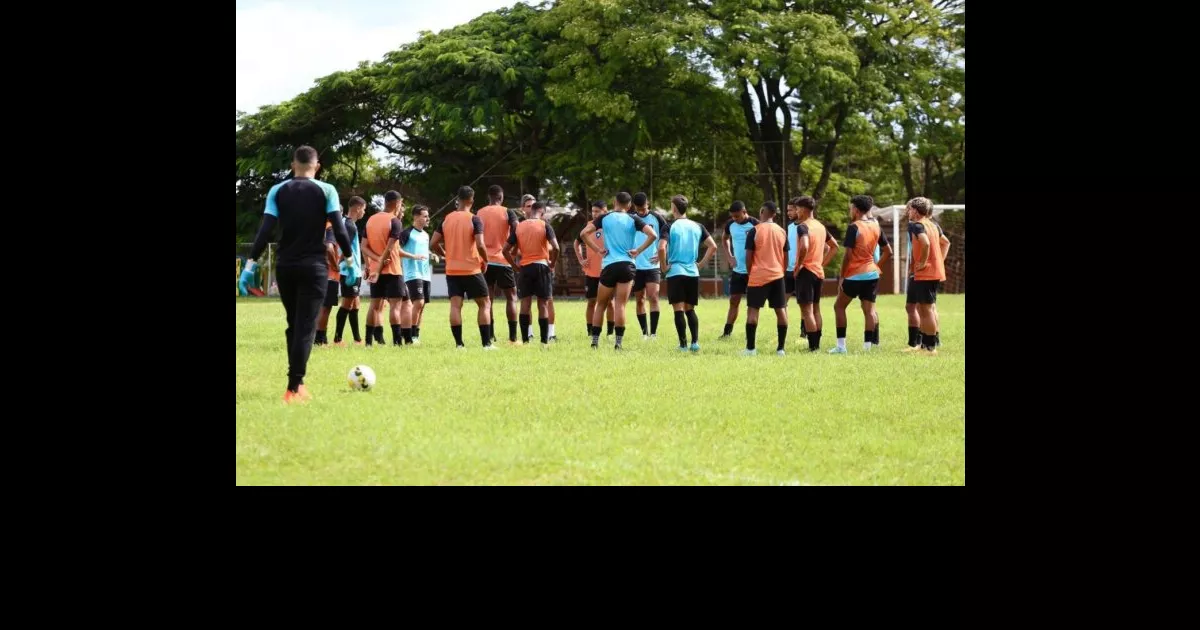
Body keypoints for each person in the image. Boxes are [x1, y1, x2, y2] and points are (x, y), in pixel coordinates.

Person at [245, 145, 352, 403]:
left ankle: (297, 381)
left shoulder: (277, 190)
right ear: (317, 166)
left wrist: (250, 264)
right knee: (305, 327)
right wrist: (349, 259)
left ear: (293, 165)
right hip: (314, 268)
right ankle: (294, 388)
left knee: (294, 324)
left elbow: (265, 230)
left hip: (286, 267)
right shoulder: (327, 190)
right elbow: (339, 228)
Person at [579, 192, 658, 350]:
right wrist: (638, 250)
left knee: (600, 304)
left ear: (614, 202)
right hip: (627, 265)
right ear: (629, 206)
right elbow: (653, 235)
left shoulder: (604, 218)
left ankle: (594, 342)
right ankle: (618, 343)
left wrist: (597, 249)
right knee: (620, 305)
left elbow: (583, 234)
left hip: (609, 265)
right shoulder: (633, 219)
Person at [430, 186, 494, 349]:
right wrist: (485, 260)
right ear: (471, 200)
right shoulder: (474, 219)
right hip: (471, 268)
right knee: (485, 303)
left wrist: (445, 254)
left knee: (456, 305)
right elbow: (480, 244)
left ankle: (459, 345)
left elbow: (433, 243)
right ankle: (486, 344)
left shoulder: (446, 219)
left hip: (452, 270)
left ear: (457, 200)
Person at [831, 195, 892, 353]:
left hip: (854, 275)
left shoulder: (854, 227)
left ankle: (841, 346)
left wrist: (842, 275)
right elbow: (888, 251)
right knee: (869, 311)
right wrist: (876, 267)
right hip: (872, 275)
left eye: (851, 208)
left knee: (839, 306)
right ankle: (867, 348)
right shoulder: (875, 226)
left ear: (856, 210)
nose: (850, 211)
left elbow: (848, 255)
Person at [363, 190, 425, 346]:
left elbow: (363, 246)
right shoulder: (394, 221)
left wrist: (375, 263)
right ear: (397, 203)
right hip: (392, 270)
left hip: (376, 271)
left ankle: (368, 342)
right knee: (396, 307)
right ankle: (398, 341)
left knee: (375, 306)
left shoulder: (370, 220)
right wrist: (382, 263)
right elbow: (390, 248)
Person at [658, 195, 717, 352]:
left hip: (675, 271)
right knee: (690, 309)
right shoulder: (698, 226)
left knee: (678, 309)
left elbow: (661, 248)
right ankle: (695, 343)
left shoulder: (669, 226)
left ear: (674, 208)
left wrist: (663, 267)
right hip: (692, 272)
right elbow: (713, 246)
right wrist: (701, 264)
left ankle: (683, 345)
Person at [504, 201, 560, 346]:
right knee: (543, 304)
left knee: (525, 304)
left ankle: (525, 340)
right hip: (542, 266)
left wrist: (515, 266)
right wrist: (552, 263)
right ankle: (544, 342)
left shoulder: (519, 226)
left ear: (532, 211)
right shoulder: (545, 225)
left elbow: (505, 250)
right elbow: (556, 248)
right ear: (542, 212)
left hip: (525, 268)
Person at [790, 196, 839, 352]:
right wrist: (822, 263)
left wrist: (798, 265)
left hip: (806, 272)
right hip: (818, 273)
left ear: (804, 209)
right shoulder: (820, 226)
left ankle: (813, 347)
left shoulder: (803, 227)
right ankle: (816, 344)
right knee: (816, 309)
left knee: (806, 310)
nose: (796, 211)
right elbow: (834, 246)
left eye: (797, 208)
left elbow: (804, 246)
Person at [903, 196, 950, 354]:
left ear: (915, 211)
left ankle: (930, 348)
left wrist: (923, 262)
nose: (908, 211)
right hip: (930, 272)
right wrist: (938, 261)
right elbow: (945, 243)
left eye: (910, 209)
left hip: (926, 273)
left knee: (926, 310)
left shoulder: (917, 226)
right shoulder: (933, 224)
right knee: (924, 309)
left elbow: (926, 243)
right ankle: (924, 345)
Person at [742, 202, 790, 356]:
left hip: (758, 276)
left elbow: (748, 258)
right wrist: (780, 271)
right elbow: (786, 257)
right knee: (781, 311)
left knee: (753, 311)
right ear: (774, 214)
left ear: (762, 211)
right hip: (777, 275)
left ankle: (750, 349)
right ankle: (781, 349)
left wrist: (751, 273)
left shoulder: (754, 231)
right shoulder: (782, 231)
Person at [477, 185, 521, 344]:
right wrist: (514, 249)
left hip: (485, 261)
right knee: (511, 297)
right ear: (501, 197)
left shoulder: (479, 213)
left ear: (488, 197)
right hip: (503, 260)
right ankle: (513, 337)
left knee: (487, 300)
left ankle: (490, 335)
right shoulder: (508, 211)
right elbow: (517, 228)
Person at [627, 192, 670, 340]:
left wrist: (662, 254)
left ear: (648, 204)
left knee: (654, 297)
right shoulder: (631, 218)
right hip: (635, 266)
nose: (641, 212)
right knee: (640, 300)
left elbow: (667, 235)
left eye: (644, 209)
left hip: (652, 265)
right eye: (639, 209)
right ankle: (644, 333)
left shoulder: (657, 218)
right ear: (634, 207)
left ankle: (653, 333)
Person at [575, 200, 616, 339]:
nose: (594, 214)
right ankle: (589, 331)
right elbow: (577, 242)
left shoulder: (611, 226)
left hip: (608, 270)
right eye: (593, 211)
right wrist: (581, 259)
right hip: (591, 272)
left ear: (605, 211)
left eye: (597, 211)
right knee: (591, 302)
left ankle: (610, 333)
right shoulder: (588, 226)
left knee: (610, 302)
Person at [720, 201, 759, 338]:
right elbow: (724, 239)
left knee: (752, 304)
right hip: (738, 271)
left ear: (744, 211)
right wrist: (729, 256)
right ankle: (727, 333)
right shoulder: (730, 225)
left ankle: (750, 333)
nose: (735, 219)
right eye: (732, 216)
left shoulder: (756, 224)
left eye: (737, 216)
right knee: (734, 300)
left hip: (754, 271)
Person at [333, 197, 367, 345]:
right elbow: (344, 249)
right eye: (364, 209)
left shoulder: (349, 224)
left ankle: (357, 339)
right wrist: (337, 264)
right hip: (349, 272)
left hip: (356, 271)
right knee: (347, 304)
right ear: (357, 208)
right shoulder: (349, 225)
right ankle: (337, 339)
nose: (364, 212)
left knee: (355, 304)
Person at [400, 205, 433, 344]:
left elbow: (424, 252)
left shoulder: (426, 235)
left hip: (426, 274)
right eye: (425, 216)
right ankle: (409, 333)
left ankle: (416, 335)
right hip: (412, 273)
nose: (427, 218)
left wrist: (433, 254)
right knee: (418, 303)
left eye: (427, 216)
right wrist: (413, 257)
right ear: (415, 217)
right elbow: (396, 250)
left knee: (422, 304)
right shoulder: (406, 233)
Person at [314, 218, 340, 345]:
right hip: (329, 274)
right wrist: (335, 265)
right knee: (325, 308)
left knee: (318, 307)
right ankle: (319, 340)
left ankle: (320, 338)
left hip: (315, 271)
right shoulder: (330, 228)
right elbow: (329, 248)